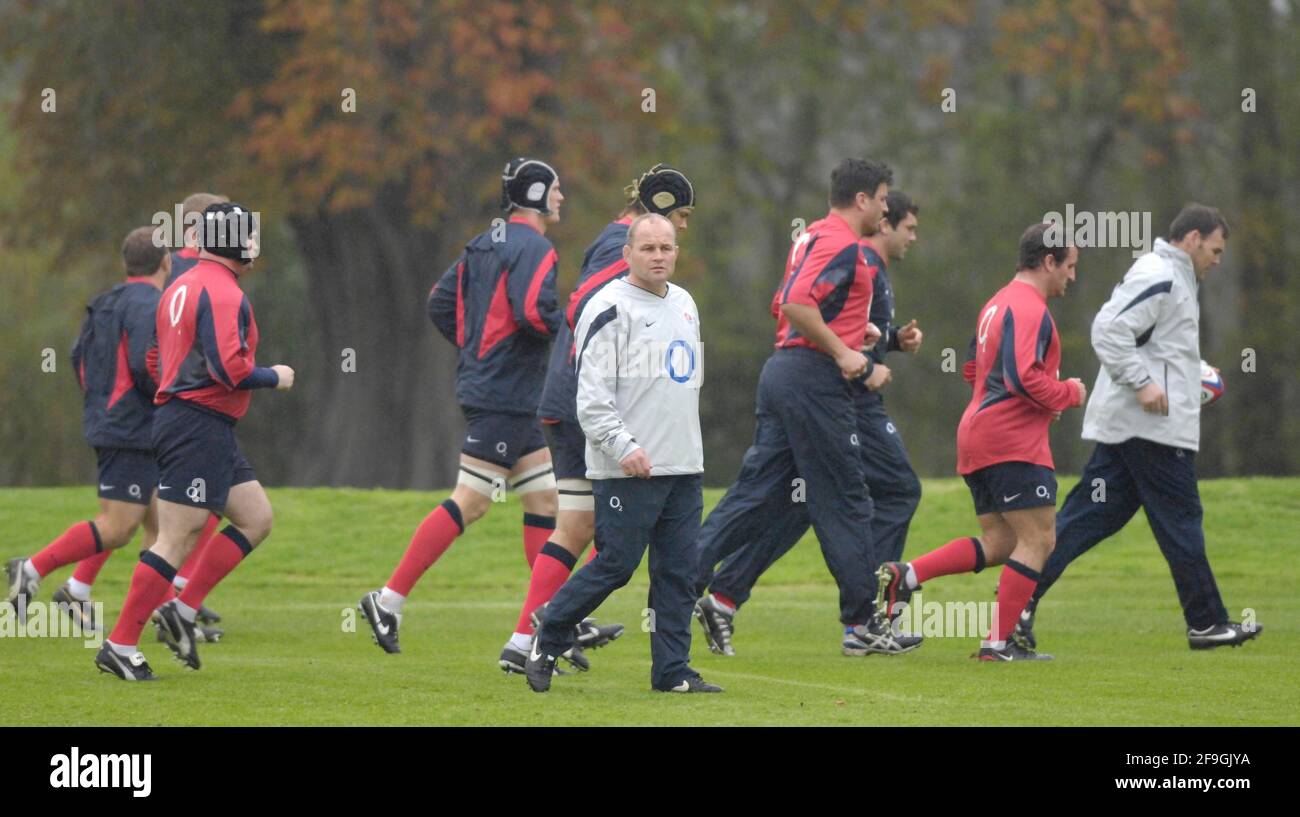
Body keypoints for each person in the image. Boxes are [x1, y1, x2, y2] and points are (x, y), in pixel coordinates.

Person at [692, 158, 918, 658]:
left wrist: (861, 333)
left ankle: (683, 576)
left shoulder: (813, 234)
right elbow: (795, 303)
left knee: (764, 495)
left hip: (785, 372)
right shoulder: (841, 243)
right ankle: (863, 624)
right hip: (813, 380)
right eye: (883, 197)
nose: (886, 206)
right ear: (862, 199)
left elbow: (783, 304)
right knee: (848, 500)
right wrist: (844, 354)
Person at [1015, 203, 1262, 652]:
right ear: (1192, 239)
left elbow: (1158, 347)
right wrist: (1145, 383)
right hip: (1152, 431)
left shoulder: (1173, 277)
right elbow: (1108, 329)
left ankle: (1016, 605)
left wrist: (1193, 375)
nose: (1218, 260)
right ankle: (1207, 622)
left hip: (1132, 429)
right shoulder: (1160, 273)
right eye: (1215, 249)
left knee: (1083, 521)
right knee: (1181, 522)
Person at [497, 164, 696, 674]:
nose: (675, 239)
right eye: (680, 218)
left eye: (668, 243)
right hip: (584, 406)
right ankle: (536, 634)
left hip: (594, 412)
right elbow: (583, 306)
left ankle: (531, 639)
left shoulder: (671, 291)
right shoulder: (620, 252)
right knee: (602, 544)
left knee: (580, 526)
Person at [359, 158, 562, 655]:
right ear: (535, 194)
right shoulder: (536, 247)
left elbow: (438, 301)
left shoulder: (484, 240)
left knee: (546, 503)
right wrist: (574, 330)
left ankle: (544, 624)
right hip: (506, 395)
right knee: (471, 501)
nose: (561, 197)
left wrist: (475, 347)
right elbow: (534, 312)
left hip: (499, 390)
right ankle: (387, 600)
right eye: (556, 190)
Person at [94, 202, 294, 680]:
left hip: (202, 423)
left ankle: (182, 611)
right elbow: (229, 369)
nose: (253, 245)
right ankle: (120, 644)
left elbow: (155, 357)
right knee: (175, 538)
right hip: (196, 424)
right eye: (248, 236)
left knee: (256, 517)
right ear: (234, 242)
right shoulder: (224, 293)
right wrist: (274, 377)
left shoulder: (180, 284)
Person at [874, 222, 1086, 661]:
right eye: (1069, 265)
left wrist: (1026, 402)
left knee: (1001, 544)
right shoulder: (1030, 308)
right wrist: (1066, 393)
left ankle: (907, 576)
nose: (1072, 275)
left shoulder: (995, 303)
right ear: (1048, 261)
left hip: (977, 433)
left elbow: (976, 370)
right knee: (1040, 539)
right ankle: (997, 644)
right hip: (1011, 441)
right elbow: (1023, 376)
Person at [526, 213, 717, 693]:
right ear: (627, 253)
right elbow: (590, 399)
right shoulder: (608, 307)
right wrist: (623, 446)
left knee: (678, 573)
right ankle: (548, 631)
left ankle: (672, 672)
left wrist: (686, 446)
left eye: (666, 248)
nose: (658, 256)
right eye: (647, 248)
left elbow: (682, 382)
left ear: (676, 252)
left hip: (682, 465)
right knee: (616, 564)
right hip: (626, 468)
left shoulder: (686, 303)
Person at [60, 192, 231, 630]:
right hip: (175, 412)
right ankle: (174, 598)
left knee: (146, 515)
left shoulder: (182, 271)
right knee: (173, 511)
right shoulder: (188, 273)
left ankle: (160, 599)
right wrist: (177, 395)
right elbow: (149, 357)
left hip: (157, 415)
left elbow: (84, 356)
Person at [8, 228, 173, 632]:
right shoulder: (152, 304)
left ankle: (165, 613)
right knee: (118, 527)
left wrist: (99, 399)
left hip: (117, 424)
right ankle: (31, 568)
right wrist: (168, 395)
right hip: (131, 430)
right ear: (165, 262)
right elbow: (144, 363)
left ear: (126, 263)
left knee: (161, 524)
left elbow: (76, 355)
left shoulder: (105, 300)